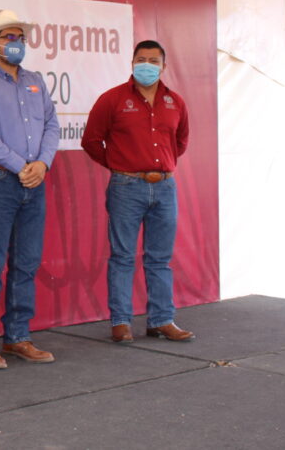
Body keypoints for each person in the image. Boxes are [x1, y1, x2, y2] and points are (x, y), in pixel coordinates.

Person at [0, 10, 60, 369]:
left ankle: (18, 336)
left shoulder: (35, 81)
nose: (17, 44)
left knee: (27, 262)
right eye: (9, 38)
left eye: (20, 38)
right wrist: (22, 166)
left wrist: (42, 164)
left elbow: (52, 124)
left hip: (34, 181)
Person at [81, 40, 193, 343]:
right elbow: (91, 140)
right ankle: (120, 321)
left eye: (153, 60)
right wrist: (119, 165)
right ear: (132, 63)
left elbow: (180, 142)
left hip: (166, 187)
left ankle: (161, 320)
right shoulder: (112, 99)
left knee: (160, 259)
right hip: (126, 186)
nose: (147, 65)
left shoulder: (176, 102)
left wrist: (163, 167)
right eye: (141, 59)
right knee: (123, 256)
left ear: (163, 66)